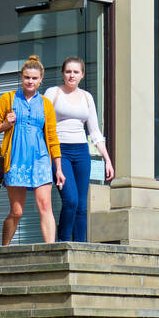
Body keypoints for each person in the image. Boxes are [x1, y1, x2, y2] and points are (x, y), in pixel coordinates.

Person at [0, 55, 65, 245]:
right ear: (21, 78)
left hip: (40, 158)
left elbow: (53, 138)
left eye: (34, 78)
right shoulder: (8, 98)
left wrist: (59, 168)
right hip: (16, 158)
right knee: (17, 211)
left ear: (40, 80)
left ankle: (51, 250)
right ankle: (4, 249)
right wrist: (6, 124)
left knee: (45, 205)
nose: (30, 81)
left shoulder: (46, 104)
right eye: (27, 77)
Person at [44, 56, 113, 242]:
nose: (71, 76)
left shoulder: (87, 97)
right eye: (68, 72)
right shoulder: (53, 93)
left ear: (82, 74)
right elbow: (42, 122)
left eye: (76, 72)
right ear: (62, 74)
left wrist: (107, 160)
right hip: (60, 152)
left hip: (82, 151)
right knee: (70, 200)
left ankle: (82, 246)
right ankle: (64, 242)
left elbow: (95, 132)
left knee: (82, 206)